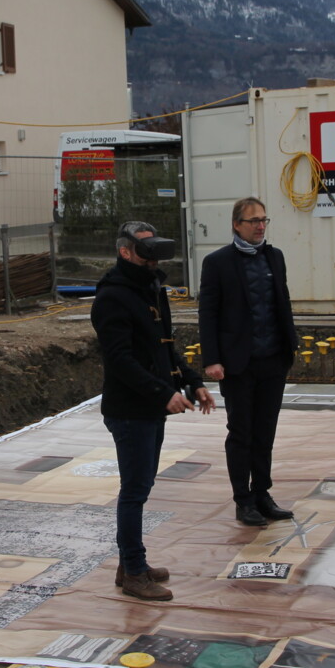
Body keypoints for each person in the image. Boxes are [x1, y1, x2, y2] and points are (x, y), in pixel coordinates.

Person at [91, 221, 214, 601]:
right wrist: (163, 392)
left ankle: (131, 564)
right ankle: (133, 571)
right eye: (145, 248)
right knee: (134, 492)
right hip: (130, 410)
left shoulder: (150, 287)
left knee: (140, 489)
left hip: (148, 407)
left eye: (155, 247)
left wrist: (193, 381)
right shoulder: (113, 296)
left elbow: (165, 348)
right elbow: (120, 360)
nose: (152, 254)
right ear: (125, 252)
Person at [198, 198, 300, 527]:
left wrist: (290, 347)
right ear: (236, 224)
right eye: (253, 220)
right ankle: (243, 499)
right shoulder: (218, 263)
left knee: (265, 432)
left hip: (272, 360)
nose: (260, 225)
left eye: (263, 220)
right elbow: (208, 313)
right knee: (241, 433)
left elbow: (280, 303)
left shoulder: (275, 257)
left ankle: (263, 494)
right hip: (238, 364)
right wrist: (211, 359)